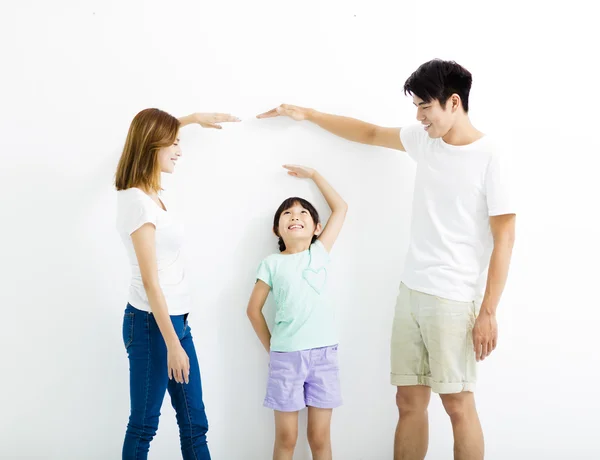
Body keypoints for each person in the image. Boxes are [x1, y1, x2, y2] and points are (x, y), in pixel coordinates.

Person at [257, 59, 516, 460]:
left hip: (453, 298)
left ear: (452, 102)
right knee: (408, 403)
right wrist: (307, 114)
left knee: (457, 405)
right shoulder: (425, 140)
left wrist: (489, 311)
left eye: (424, 107)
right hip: (411, 292)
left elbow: (505, 239)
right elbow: (370, 132)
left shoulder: (491, 156)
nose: (418, 116)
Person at [115, 108, 239, 460]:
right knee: (143, 425)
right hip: (152, 324)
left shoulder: (149, 196)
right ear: (154, 145)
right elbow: (151, 282)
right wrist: (172, 343)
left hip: (175, 322)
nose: (180, 151)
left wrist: (192, 118)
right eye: (174, 143)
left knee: (193, 422)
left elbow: (149, 134)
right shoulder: (137, 202)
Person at [246, 165, 348, 460]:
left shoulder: (320, 252)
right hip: (286, 358)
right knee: (286, 439)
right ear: (276, 229)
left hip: (324, 356)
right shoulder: (271, 263)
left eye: (304, 213)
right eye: (287, 214)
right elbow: (253, 310)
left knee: (319, 438)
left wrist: (315, 175)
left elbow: (341, 208)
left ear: (317, 228)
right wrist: (273, 349)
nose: (295, 216)